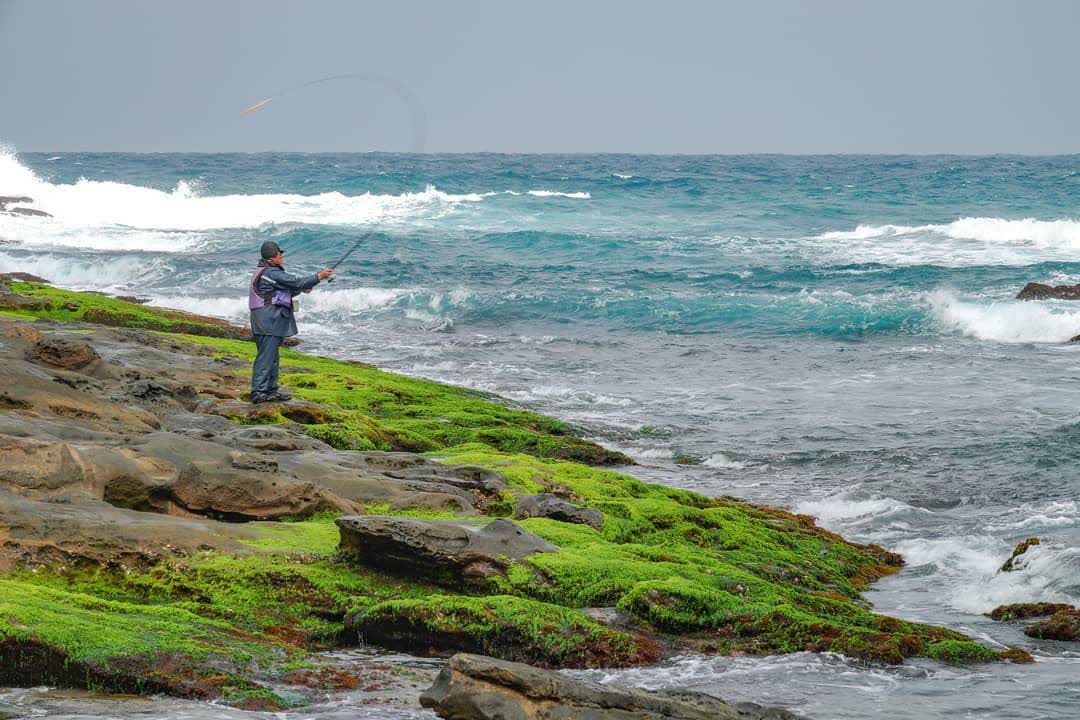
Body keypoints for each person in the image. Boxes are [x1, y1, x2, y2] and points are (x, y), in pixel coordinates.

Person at [248, 240, 333, 403]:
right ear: (273, 257)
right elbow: (295, 282)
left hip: (266, 320)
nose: (282, 256)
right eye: (280, 254)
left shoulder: (265, 271)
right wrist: (319, 276)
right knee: (266, 358)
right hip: (268, 321)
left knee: (272, 357)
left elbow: (277, 293)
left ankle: (270, 391)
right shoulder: (271, 272)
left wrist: (301, 289)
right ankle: (258, 393)